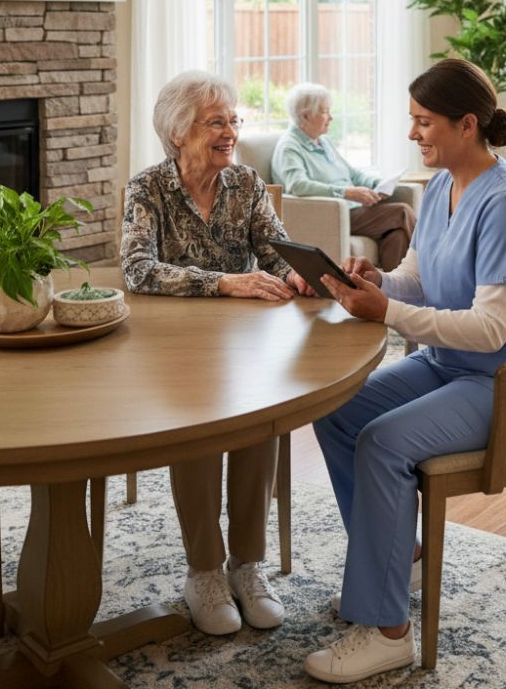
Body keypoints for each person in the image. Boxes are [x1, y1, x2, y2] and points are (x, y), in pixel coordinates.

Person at [303, 59, 506, 683]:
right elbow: (421, 281)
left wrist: (387, 311)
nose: (413, 135)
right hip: (452, 367)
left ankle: (389, 631)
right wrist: (378, 282)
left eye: (424, 122)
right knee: (337, 410)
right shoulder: (440, 185)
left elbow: (491, 329)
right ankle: (403, 561)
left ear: (467, 124)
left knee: (383, 441)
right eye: (412, 121)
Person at [121, 70, 311, 637]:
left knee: (261, 423)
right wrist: (225, 283)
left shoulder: (246, 184)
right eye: (216, 122)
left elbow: (274, 253)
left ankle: (246, 566)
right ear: (180, 133)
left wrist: (297, 274)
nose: (230, 132)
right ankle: (203, 571)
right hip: (174, 350)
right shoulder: (147, 189)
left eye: (234, 121)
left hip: (244, 346)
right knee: (198, 428)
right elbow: (137, 271)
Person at [272, 83, 417, 271]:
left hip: (353, 210)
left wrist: (377, 184)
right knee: (402, 212)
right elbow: (298, 185)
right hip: (331, 213)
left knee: (396, 235)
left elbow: (352, 173)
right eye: (325, 112)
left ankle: (391, 294)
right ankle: (434, 263)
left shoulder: (322, 141)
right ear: (305, 115)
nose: (330, 117)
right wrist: (346, 193)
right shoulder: (289, 147)